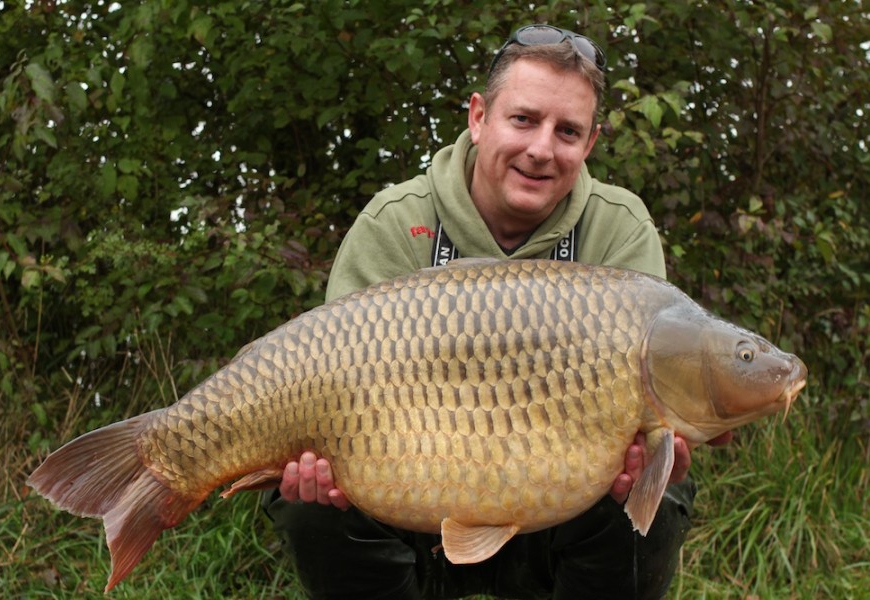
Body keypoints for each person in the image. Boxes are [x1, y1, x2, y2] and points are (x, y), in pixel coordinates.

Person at [263, 24, 731, 599]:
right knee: (305, 497)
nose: (541, 149)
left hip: (562, 509)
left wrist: (658, 452)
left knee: (657, 492)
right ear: (479, 117)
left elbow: (658, 401)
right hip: (408, 498)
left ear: (589, 145)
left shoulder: (619, 229)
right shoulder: (393, 223)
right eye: (524, 119)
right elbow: (331, 381)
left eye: (568, 131)